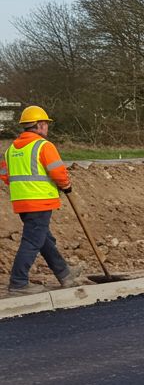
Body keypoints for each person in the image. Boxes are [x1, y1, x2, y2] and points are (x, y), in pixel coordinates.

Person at [4, 106, 83, 294]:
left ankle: (64, 274)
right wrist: (66, 186)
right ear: (39, 125)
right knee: (32, 241)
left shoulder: (11, 149)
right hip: (40, 200)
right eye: (46, 124)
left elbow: (5, 175)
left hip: (22, 201)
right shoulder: (43, 146)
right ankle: (18, 282)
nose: (47, 128)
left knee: (43, 238)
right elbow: (58, 172)